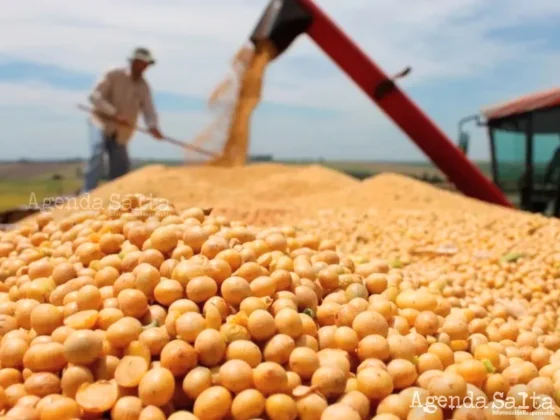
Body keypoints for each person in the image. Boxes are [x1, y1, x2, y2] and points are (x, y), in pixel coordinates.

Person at [82, 47, 164, 192]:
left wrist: (153, 127)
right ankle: (87, 194)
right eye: (140, 62)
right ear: (133, 61)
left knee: (120, 168)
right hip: (101, 122)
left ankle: (116, 199)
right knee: (97, 152)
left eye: (146, 64)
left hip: (122, 131)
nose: (142, 67)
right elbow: (94, 97)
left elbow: (149, 110)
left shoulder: (144, 87)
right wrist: (114, 114)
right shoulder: (114, 74)